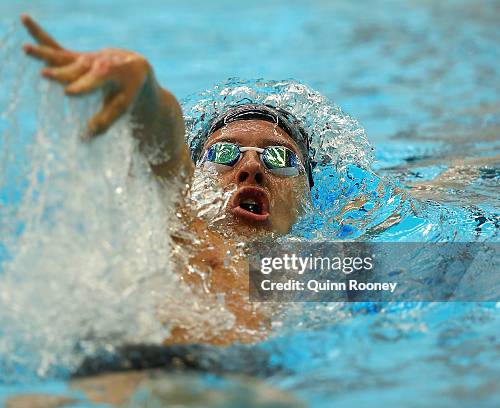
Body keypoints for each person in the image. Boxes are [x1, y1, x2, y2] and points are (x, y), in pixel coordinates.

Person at [20, 15, 314, 346]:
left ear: (308, 196)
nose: (251, 168)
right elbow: (164, 150)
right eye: (222, 154)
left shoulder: (315, 271)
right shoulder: (178, 227)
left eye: (280, 158)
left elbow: (383, 278)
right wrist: (142, 88)